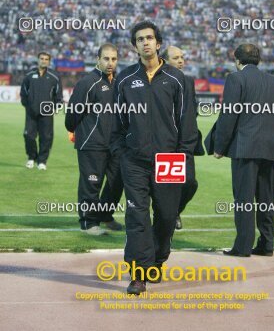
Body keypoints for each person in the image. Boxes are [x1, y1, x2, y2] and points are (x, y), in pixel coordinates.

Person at [110, 21, 198, 295]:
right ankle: (138, 273)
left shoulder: (176, 79)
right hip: (134, 160)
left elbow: (187, 120)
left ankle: (158, 259)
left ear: (158, 43)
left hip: (169, 160)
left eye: (149, 38)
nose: (145, 42)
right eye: (140, 39)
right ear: (134, 46)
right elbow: (116, 122)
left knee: (167, 215)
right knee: (137, 215)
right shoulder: (125, 79)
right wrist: (122, 152)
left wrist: (182, 155)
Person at [211, 44, 274, 257]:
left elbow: (229, 115)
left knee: (244, 200)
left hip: (245, 148)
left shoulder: (236, 79)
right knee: (266, 199)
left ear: (237, 61)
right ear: (258, 60)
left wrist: (219, 147)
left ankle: (243, 247)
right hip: (271, 148)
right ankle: (266, 244)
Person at [65, 43, 123, 236]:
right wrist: (75, 130)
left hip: (115, 145)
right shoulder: (87, 82)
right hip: (92, 143)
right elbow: (73, 113)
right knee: (92, 184)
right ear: (98, 59)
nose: (110, 63)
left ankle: (104, 216)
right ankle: (89, 223)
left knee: (117, 182)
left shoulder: (118, 82)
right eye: (106, 58)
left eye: (114, 59)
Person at [162, 46, 204, 230]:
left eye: (182, 57)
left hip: (186, 142)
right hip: (166, 142)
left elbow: (191, 111)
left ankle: (175, 211)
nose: (181, 61)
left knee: (189, 183)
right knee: (169, 185)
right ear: (164, 61)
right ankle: (166, 219)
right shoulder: (159, 80)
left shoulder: (188, 81)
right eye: (176, 58)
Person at [20, 51, 63, 170]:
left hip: (47, 113)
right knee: (28, 136)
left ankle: (42, 161)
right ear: (38, 60)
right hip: (31, 113)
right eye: (41, 58)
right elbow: (23, 93)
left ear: (49, 62)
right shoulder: (29, 75)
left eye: (46, 59)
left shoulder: (54, 77)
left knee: (46, 138)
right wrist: (28, 106)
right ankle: (31, 158)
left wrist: (55, 107)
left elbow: (58, 96)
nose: (43, 60)